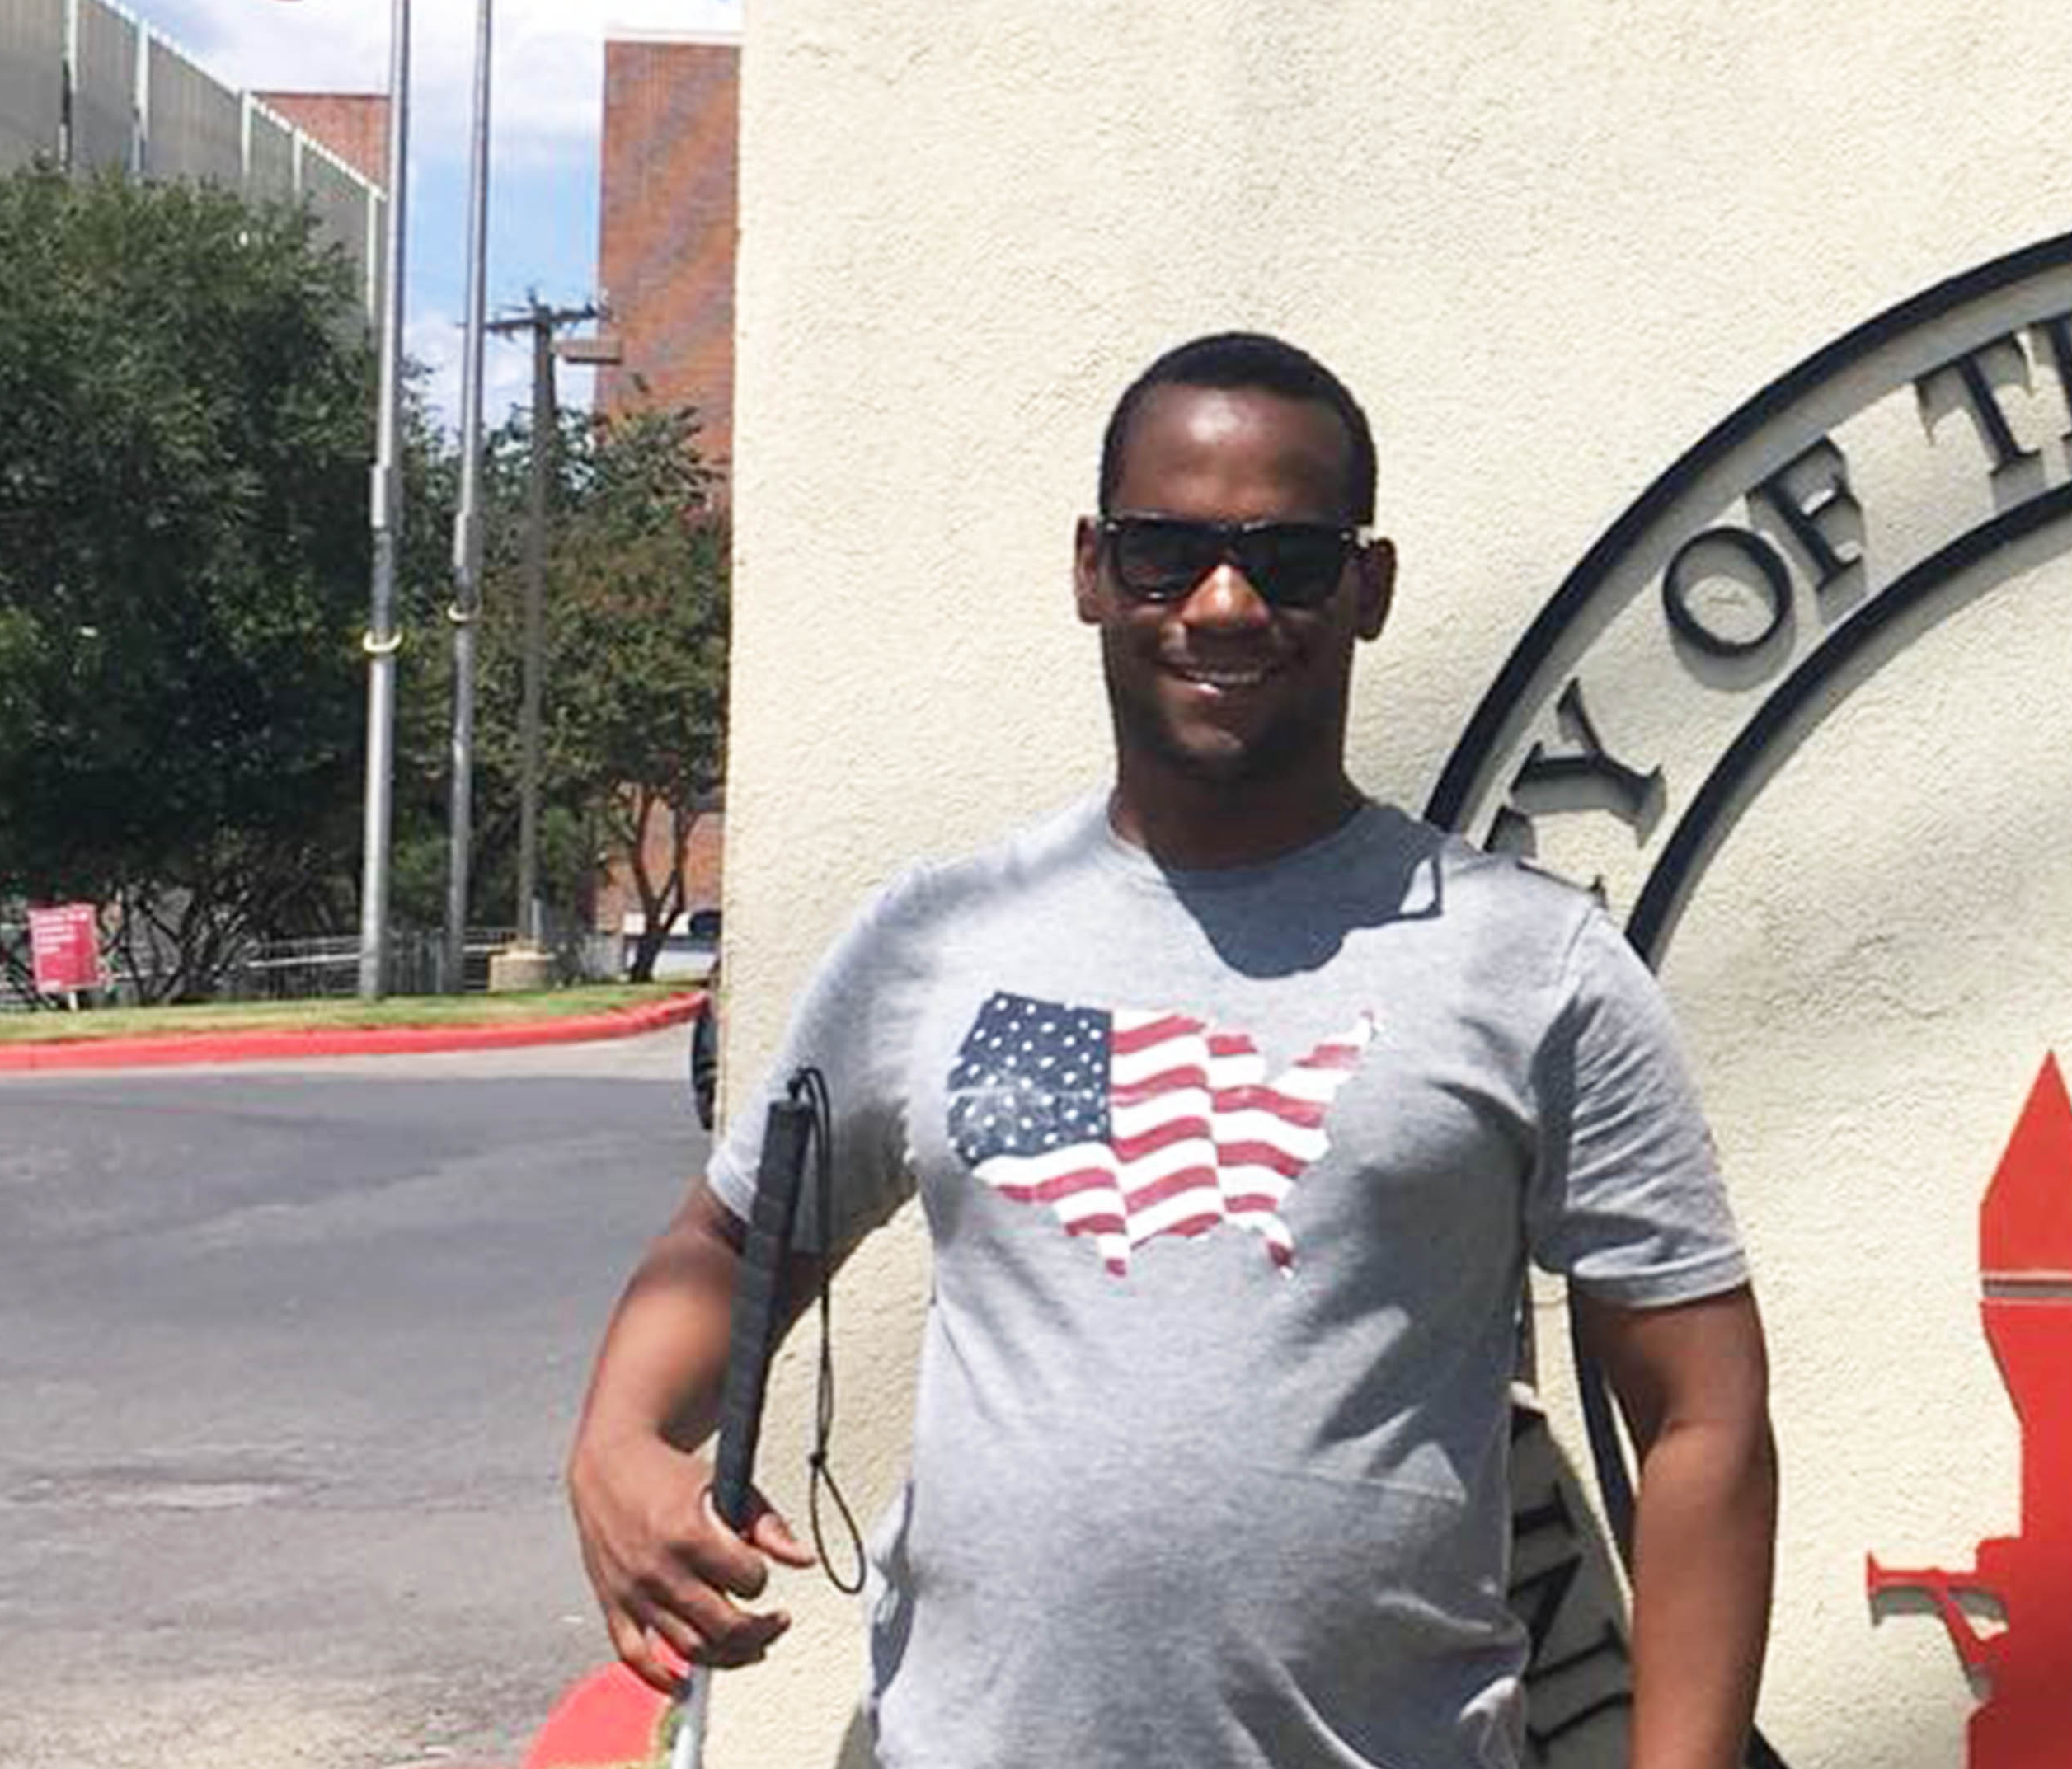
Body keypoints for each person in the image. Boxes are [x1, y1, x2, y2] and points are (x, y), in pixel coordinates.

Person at [563, 331, 1778, 1769]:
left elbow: (1703, 1415)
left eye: (1290, 558)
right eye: (1165, 552)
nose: (1222, 601)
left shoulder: (1533, 966)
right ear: (1091, 569)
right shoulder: (938, 940)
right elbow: (732, 1243)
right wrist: (617, 1440)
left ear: (1368, 587)